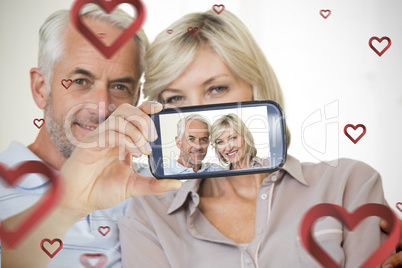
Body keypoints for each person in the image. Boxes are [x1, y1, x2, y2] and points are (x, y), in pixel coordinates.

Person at [118, 9, 398, 267]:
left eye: (217, 88)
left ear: (255, 87)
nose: (198, 111)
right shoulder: (148, 216)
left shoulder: (348, 184)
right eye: (176, 98)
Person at [0, 5, 180, 268]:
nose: (100, 106)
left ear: (136, 98)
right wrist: (65, 203)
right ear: (41, 88)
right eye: (81, 81)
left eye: (120, 86)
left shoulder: (152, 190)